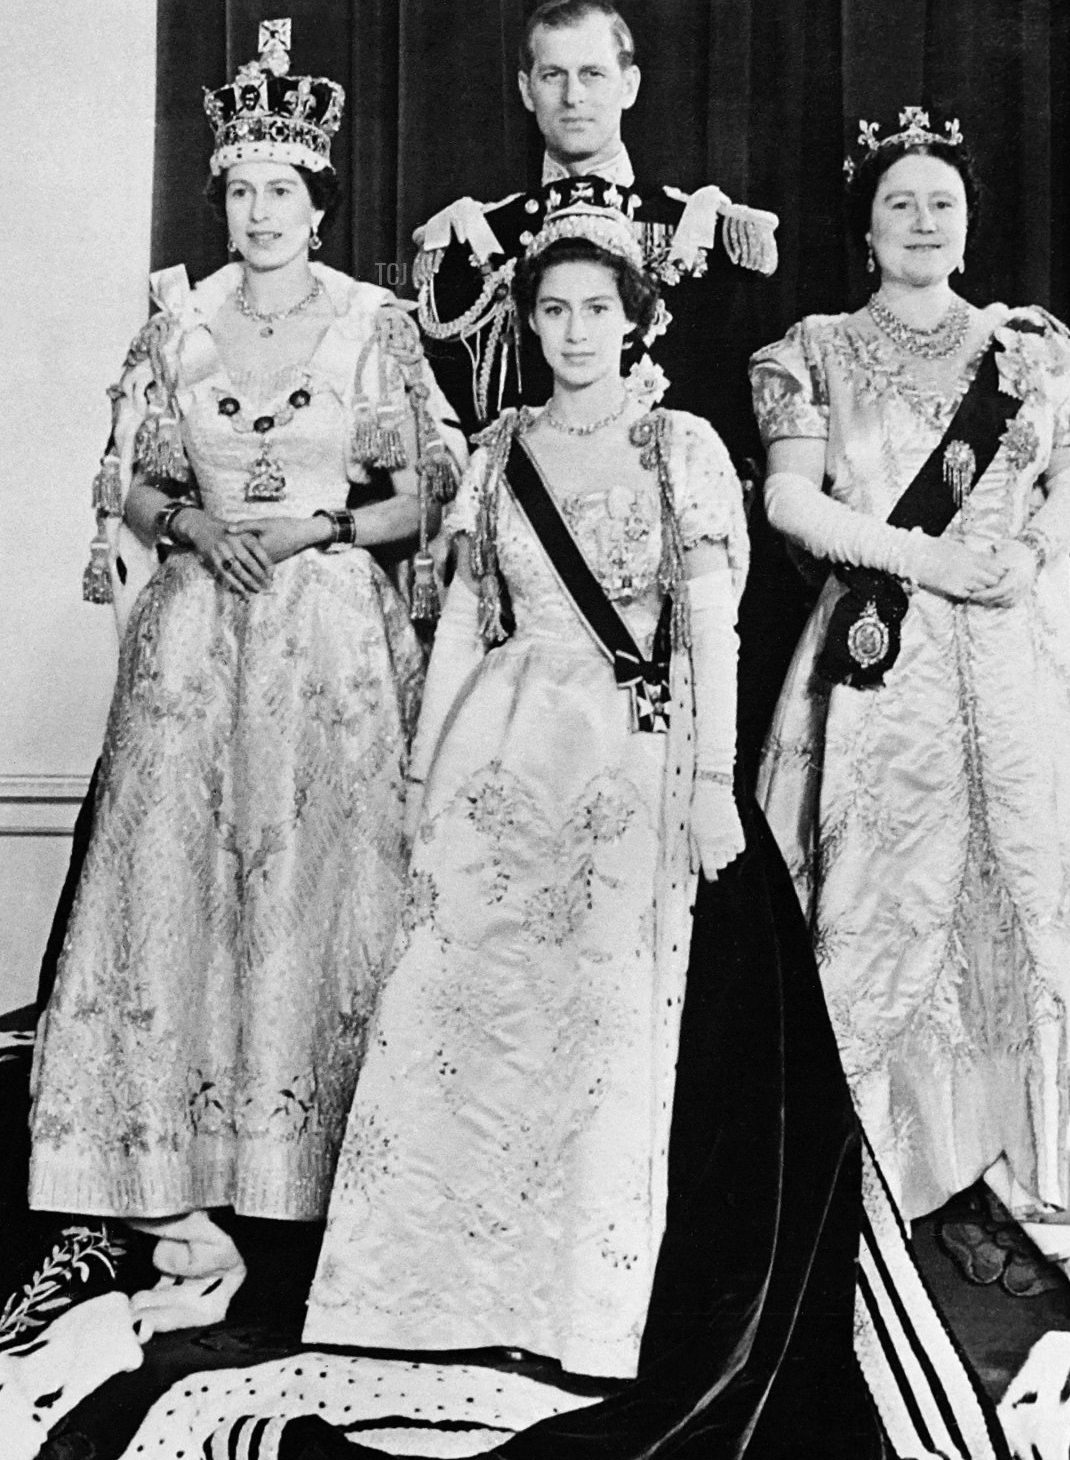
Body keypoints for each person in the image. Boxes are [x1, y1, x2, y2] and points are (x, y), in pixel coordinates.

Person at [26, 19, 465, 1338]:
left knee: (328, 892)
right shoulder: (178, 318)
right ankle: (176, 1191)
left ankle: (333, 1184)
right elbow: (144, 476)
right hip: (198, 642)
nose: (261, 210)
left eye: (284, 190)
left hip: (323, 634)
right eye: (242, 190)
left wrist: (322, 528)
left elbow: (430, 490)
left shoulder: (375, 326)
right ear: (220, 196)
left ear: (319, 201)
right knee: (176, 887)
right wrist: (188, 526)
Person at [752, 106, 1070, 1347]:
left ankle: (1059, 1198)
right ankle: (898, 1204)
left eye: (942, 201)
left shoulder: (1035, 349)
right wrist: (925, 559)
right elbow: (791, 499)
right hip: (886, 653)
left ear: (970, 218)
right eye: (900, 203)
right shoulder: (815, 349)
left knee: (1051, 900)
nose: (924, 221)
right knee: (887, 911)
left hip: (1019, 647)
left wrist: (1039, 545)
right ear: (867, 224)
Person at [304, 194, 750, 1380]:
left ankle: (574, 1313)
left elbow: (710, 622)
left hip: (626, 754)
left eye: (597, 309)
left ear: (636, 320)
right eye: (553, 311)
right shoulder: (500, 452)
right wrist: (418, 771)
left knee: (598, 1027)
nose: (575, 330)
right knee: (458, 1009)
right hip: (496, 749)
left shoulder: (681, 449)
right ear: (530, 323)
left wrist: (715, 782)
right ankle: (418, 1295)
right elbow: (462, 621)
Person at [413, 0, 777, 472]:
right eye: (552, 75)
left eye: (593, 74)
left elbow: (735, 433)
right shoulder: (473, 240)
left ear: (629, 85)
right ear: (526, 90)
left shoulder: (707, 235)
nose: (573, 97)